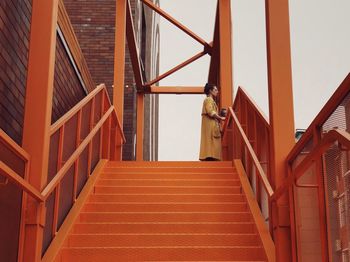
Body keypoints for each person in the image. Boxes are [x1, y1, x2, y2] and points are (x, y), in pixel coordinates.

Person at [199, 83, 225, 161]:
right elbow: (210, 112)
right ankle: (211, 156)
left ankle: (210, 155)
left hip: (210, 125)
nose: (217, 91)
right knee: (212, 141)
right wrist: (220, 118)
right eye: (215, 90)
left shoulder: (210, 100)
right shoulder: (208, 100)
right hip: (210, 125)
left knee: (211, 141)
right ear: (210, 91)